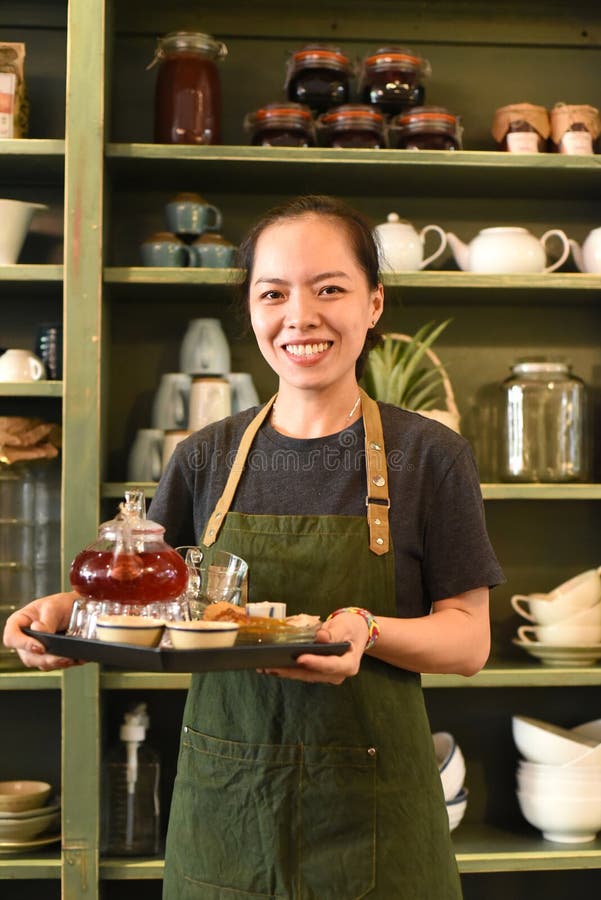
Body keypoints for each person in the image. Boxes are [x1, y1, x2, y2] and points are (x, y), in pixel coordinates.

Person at [4, 194, 504, 899]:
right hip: (229, 806)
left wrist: (363, 628)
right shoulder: (204, 456)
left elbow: (468, 641)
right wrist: (60, 612)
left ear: (374, 305)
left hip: (374, 814)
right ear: (252, 309)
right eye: (273, 293)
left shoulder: (430, 455)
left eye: (329, 288)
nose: (299, 315)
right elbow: (146, 593)